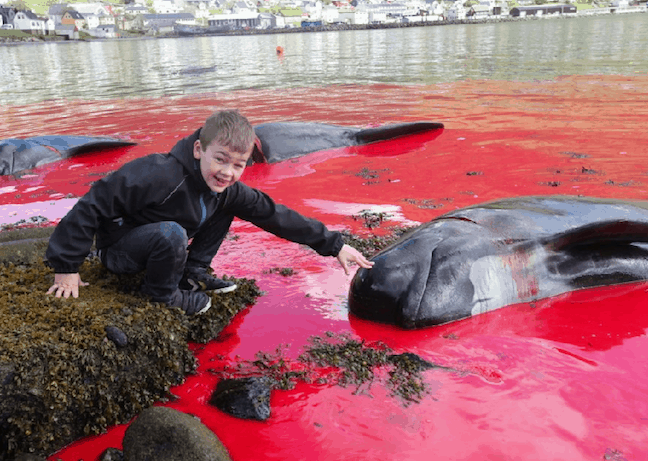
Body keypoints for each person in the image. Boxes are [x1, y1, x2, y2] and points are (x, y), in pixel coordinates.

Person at [45, 110, 373, 315]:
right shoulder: (159, 173)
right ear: (199, 149)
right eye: (220, 159)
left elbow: (274, 214)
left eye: (238, 165)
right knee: (171, 231)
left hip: (160, 245)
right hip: (120, 251)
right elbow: (93, 203)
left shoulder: (225, 186)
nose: (227, 172)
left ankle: (193, 272)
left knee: (226, 204)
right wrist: (67, 267)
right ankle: (162, 296)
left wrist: (335, 246)